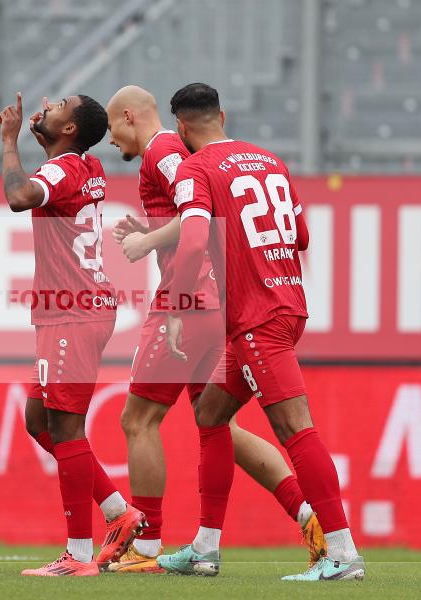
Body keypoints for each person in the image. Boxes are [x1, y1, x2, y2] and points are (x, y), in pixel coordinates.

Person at [104, 85, 325, 573]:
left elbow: (196, 218)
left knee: (138, 420)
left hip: (190, 296)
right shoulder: (182, 152)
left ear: (129, 116)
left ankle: (146, 548)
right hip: (219, 303)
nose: (110, 138)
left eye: (112, 127)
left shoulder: (163, 151)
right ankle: (305, 513)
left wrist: (149, 245)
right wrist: (151, 234)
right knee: (217, 420)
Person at [157, 83, 364, 581]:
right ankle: (205, 549)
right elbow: (301, 236)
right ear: (222, 115)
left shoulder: (194, 169)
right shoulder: (271, 161)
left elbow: (191, 242)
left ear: (181, 128)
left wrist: (177, 307)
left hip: (256, 320)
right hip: (286, 307)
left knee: (295, 428)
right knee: (210, 414)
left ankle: (342, 554)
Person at [0, 92, 145, 576]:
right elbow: (54, 175)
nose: (47, 105)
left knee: (65, 428)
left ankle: (78, 555)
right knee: (38, 421)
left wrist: (9, 141)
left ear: (70, 130)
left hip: (72, 312)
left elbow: (20, 197)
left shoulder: (62, 171)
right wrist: (43, 136)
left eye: (59, 105)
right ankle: (118, 511)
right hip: (75, 309)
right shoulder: (85, 166)